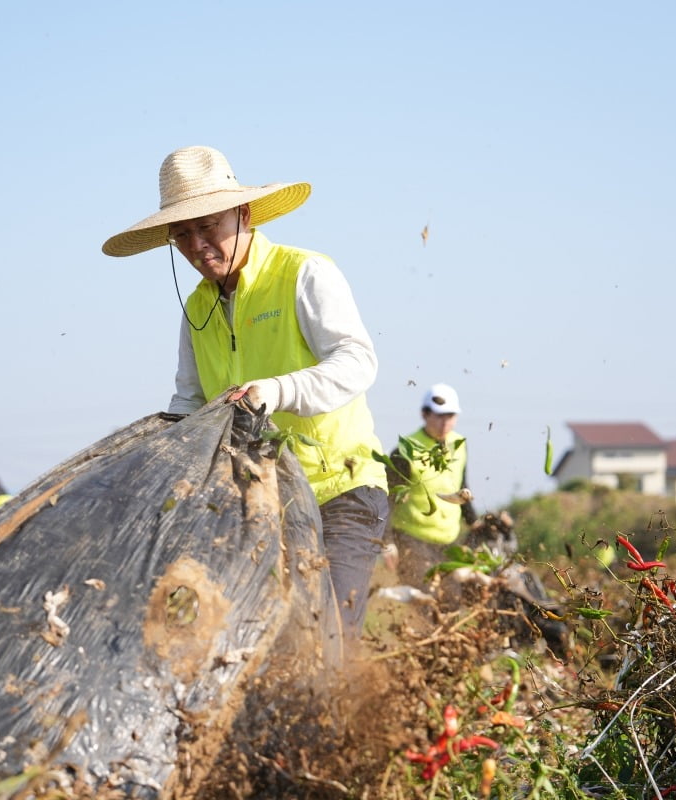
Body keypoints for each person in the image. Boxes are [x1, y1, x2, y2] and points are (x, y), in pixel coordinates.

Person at [102, 146, 388, 639]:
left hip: (339, 490)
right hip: (259, 501)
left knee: (327, 634)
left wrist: (277, 391)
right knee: (255, 640)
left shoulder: (303, 274)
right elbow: (190, 404)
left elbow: (358, 362)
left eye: (208, 226)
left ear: (244, 214)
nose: (197, 245)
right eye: (182, 234)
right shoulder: (196, 309)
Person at [384, 383, 477, 584]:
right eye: (439, 416)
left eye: (450, 416)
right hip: (411, 540)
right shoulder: (405, 450)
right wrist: (387, 542)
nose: (445, 423)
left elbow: (462, 487)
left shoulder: (459, 445)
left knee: (452, 603)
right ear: (425, 414)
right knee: (426, 599)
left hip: (449, 542)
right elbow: (387, 498)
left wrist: (475, 523)